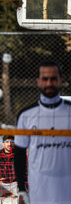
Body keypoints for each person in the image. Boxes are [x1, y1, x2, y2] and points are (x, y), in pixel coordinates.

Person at [14, 60, 71, 204]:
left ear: (60, 80)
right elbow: (19, 155)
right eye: (45, 79)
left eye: (53, 79)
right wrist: (21, 190)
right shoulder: (26, 115)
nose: (49, 83)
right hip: (39, 195)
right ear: (38, 81)